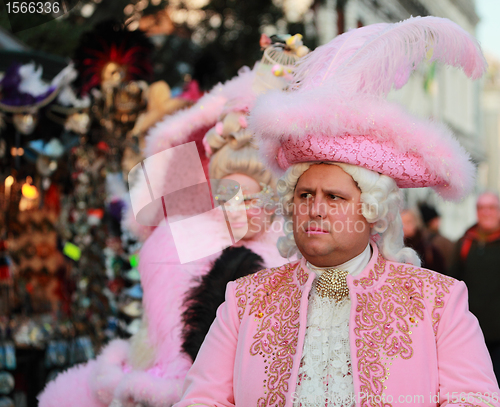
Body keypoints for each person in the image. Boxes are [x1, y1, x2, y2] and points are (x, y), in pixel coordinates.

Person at [173, 16, 500, 407]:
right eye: (305, 195)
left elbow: (474, 398)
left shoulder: (437, 301)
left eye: (335, 198)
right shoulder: (244, 301)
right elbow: (202, 399)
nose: (315, 210)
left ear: (371, 210)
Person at [38, 36, 306, 407]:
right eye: (229, 196)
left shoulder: (291, 251)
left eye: (256, 197)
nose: (242, 207)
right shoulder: (179, 240)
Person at [450, 191, 500, 383]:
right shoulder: (465, 242)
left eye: (491, 208)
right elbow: (453, 283)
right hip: (471, 333)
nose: (486, 212)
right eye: (481, 208)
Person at [401, 207, 446, 273]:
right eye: (401, 223)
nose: (404, 227)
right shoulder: (390, 249)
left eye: (408, 222)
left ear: (416, 223)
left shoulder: (429, 251)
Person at [418, 202, 455, 271]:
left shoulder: (416, 238)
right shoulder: (444, 242)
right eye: (436, 219)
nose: (439, 222)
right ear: (431, 221)